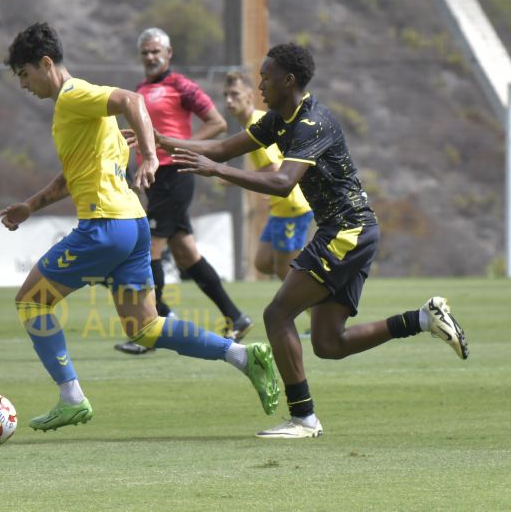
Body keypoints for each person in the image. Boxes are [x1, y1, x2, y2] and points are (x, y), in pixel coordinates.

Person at [160, 42, 469, 438]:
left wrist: (217, 170)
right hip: (347, 229)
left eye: (266, 77)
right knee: (328, 343)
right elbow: (222, 146)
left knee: (277, 314)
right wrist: (166, 142)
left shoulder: (311, 123)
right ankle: (423, 319)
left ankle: (303, 419)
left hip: (347, 229)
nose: (260, 84)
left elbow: (281, 181)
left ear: (288, 80)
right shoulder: (278, 119)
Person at [0, 22, 279, 432]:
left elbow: (131, 99)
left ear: (45, 63)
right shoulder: (85, 111)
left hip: (104, 227)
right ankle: (241, 355)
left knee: (32, 302)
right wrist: (31, 205)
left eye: (24, 74)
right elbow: (72, 176)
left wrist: (149, 155)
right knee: (145, 328)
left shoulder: (74, 95)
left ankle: (71, 397)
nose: (23, 84)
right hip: (131, 226)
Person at [115, 27, 254, 356]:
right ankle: (236, 316)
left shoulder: (179, 85)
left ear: (169, 53)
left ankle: (150, 329)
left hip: (174, 174)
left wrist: (182, 148)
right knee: (186, 254)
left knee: (150, 250)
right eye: (145, 52)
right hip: (157, 176)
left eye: (155, 51)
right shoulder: (140, 89)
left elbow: (216, 121)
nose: (150, 57)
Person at [222, 71, 313, 281]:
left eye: (234, 94)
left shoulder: (257, 125)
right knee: (263, 262)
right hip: (280, 207)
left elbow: (273, 169)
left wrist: (232, 176)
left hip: (292, 205)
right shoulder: (256, 121)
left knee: (284, 271)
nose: (228, 100)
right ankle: (309, 274)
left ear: (249, 97)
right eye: (226, 95)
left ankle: (316, 307)